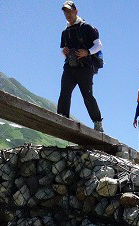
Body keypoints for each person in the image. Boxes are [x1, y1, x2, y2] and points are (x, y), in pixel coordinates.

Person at [57, 1, 104, 132]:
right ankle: (62, 118)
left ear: (76, 11)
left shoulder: (86, 27)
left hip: (85, 67)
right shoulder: (65, 32)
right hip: (70, 67)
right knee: (64, 92)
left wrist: (87, 52)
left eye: (69, 11)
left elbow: (98, 45)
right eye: (65, 12)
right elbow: (62, 52)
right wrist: (64, 52)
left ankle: (97, 122)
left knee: (87, 95)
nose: (67, 14)